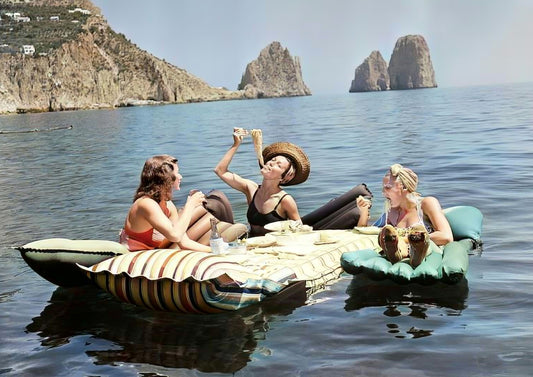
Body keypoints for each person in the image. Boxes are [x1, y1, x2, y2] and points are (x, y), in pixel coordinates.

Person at [214, 128, 310, 237]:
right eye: (273, 160)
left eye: (278, 165)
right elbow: (220, 170)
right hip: (250, 243)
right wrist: (236, 144)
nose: (271, 163)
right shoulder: (251, 189)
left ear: (284, 178)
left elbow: (300, 230)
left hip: (274, 247)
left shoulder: (285, 200)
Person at [357, 163, 453, 267]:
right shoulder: (391, 212)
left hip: (426, 249)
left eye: (388, 188)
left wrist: (406, 239)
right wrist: (363, 212)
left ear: (405, 188)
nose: (383, 193)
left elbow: (446, 237)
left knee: (418, 243)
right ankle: (397, 253)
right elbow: (367, 232)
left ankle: (413, 252)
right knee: (392, 239)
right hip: (401, 250)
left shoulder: (426, 204)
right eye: (383, 188)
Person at [119, 155, 211, 252]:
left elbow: (184, 243)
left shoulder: (168, 205)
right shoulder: (146, 203)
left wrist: (216, 251)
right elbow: (175, 236)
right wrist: (190, 205)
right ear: (166, 178)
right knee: (198, 211)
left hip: (154, 251)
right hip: (135, 256)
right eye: (177, 173)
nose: (180, 176)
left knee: (205, 210)